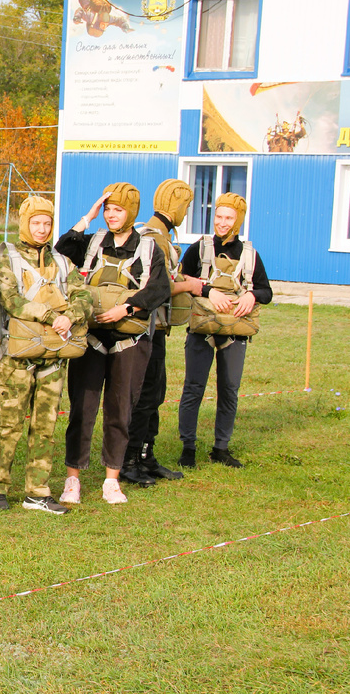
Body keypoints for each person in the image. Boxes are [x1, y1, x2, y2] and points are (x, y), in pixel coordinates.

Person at [54, 184, 168, 505]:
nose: (111, 215)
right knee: (82, 410)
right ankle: (72, 479)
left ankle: (111, 480)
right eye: (107, 209)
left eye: (117, 209)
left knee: (120, 412)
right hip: (90, 340)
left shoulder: (148, 248)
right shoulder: (94, 242)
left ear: (131, 211)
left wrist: (127, 308)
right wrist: (87, 218)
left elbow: (160, 289)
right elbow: (61, 253)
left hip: (128, 343)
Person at [0, 196, 92, 514]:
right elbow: (10, 299)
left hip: (54, 355)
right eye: (36, 222)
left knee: (45, 424)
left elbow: (84, 294)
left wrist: (70, 315)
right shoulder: (9, 256)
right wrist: (50, 315)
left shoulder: (62, 261)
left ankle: (38, 490)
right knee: (10, 423)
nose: (42, 229)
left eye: (47, 223)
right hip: (16, 354)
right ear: (25, 223)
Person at [176, 193, 272, 468]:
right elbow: (180, 279)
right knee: (194, 387)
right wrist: (209, 291)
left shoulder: (250, 254)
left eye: (228, 218)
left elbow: (266, 290)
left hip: (234, 331)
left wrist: (251, 297)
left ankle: (221, 448)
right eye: (218, 216)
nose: (222, 222)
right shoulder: (199, 249)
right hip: (202, 329)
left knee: (229, 389)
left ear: (238, 220)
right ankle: (188, 448)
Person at [121, 180, 199, 486]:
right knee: (144, 396)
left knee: (156, 395)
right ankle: (129, 461)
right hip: (147, 328)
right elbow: (158, 286)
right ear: (175, 205)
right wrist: (192, 286)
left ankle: (146, 456)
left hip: (160, 328)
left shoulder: (164, 235)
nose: (186, 212)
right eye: (186, 206)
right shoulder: (154, 237)